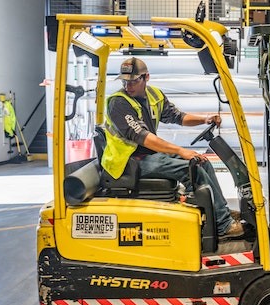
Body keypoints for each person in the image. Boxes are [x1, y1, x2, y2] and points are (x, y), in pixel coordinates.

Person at [101, 57, 244, 238]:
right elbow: (143, 137)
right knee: (191, 169)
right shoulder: (118, 103)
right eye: (125, 81)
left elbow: (178, 117)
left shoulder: (154, 95)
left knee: (202, 162)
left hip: (146, 155)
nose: (128, 86)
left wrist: (205, 119)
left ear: (146, 78)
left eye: (134, 81)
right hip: (127, 162)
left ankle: (220, 213)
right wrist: (180, 151)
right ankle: (223, 226)